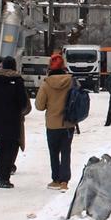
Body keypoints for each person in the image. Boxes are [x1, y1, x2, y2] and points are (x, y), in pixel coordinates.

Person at [0, 55, 30, 188]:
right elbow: (23, 101)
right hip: (12, 119)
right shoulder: (17, 81)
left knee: (1, 149)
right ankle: (5, 178)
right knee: (10, 149)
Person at [35, 51, 76, 190]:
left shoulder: (46, 84)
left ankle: (56, 179)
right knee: (66, 151)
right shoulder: (71, 81)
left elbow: (39, 106)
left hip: (52, 124)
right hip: (68, 123)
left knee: (54, 153)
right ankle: (65, 181)